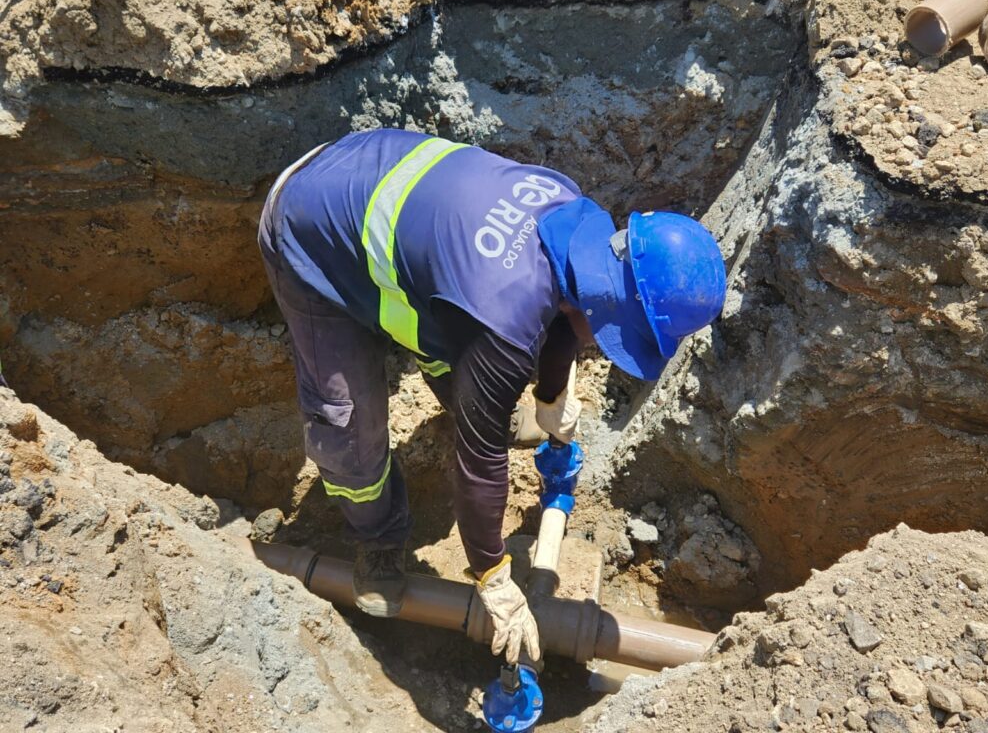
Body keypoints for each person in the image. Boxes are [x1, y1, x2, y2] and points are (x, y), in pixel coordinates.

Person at [257, 129, 726, 664]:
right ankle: (379, 539)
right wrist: (492, 575)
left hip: (371, 171)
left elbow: (567, 318)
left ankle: (489, 407)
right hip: (310, 229)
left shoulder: (570, 213)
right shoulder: (502, 313)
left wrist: (550, 399)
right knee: (348, 433)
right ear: (612, 302)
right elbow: (478, 462)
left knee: (471, 359)